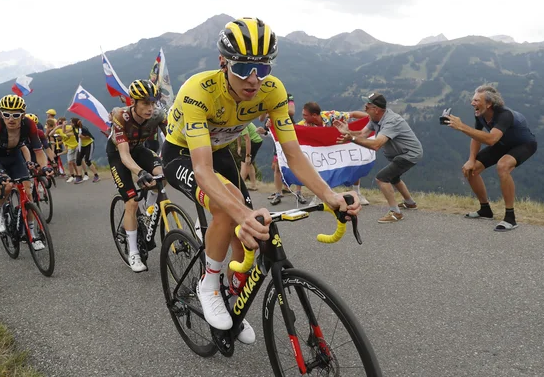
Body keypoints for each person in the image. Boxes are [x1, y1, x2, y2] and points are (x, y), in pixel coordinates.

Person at [161, 17, 360, 344]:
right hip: (182, 154)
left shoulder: (272, 91)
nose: (253, 79)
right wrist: (239, 212)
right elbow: (202, 171)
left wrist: (329, 195)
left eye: (263, 68)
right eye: (242, 68)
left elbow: (293, 154)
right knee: (230, 209)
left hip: (222, 150)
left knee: (249, 238)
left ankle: (230, 299)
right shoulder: (198, 92)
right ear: (223, 63)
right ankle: (209, 284)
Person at [445, 85, 537, 231]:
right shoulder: (479, 114)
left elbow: (491, 139)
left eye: (476, 100)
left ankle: (510, 218)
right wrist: (471, 159)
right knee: (471, 169)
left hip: (524, 144)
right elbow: (476, 135)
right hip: (502, 143)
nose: (472, 103)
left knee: (503, 166)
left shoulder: (505, 115)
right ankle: (485, 210)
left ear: (489, 104)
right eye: (472, 99)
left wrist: (461, 126)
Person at [107, 79, 168, 272]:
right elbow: (124, 155)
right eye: (145, 103)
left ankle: (149, 211)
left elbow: (173, 139)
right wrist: (140, 172)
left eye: (153, 103)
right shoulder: (121, 116)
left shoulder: (158, 115)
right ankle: (133, 253)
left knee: (162, 175)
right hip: (119, 154)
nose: (150, 108)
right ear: (133, 102)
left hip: (139, 149)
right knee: (132, 202)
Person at [334, 92, 422, 223]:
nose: (364, 107)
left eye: (368, 105)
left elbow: (376, 145)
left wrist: (351, 138)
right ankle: (410, 203)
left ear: (376, 109)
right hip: (400, 154)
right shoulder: (374, 119)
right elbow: (362, 134)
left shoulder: (391, 121)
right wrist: (347, 132)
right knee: (394, 177)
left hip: (409, 154)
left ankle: (396, 213)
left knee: (382, 178)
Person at [0, 95, 52, 243]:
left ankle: (31, 233)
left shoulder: (29, 124)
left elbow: (39, 151)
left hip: (14, 155)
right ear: (1, 114)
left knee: (28, 193)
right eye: (6, 115)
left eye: (16, 115)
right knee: (6, 186)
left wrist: (44, 166)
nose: (11, 119)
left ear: (23, 114)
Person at [298, 101, 370, 206]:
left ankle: (357, 193)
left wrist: (372, 118)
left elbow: (353, 114)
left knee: (354, 164)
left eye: (305, 115)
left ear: (314, 115)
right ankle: (319, 196)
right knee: (319, 169)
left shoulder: (331, 116)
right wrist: (271, 126)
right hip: (322, 150)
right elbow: (291, 129)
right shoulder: (304, 124)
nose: (303, 117)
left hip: (340, 144)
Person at [49, 117, 79, 182]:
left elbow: (68, 134)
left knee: (72, 162)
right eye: (58, 123)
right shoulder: (58, 129)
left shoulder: (69, 127)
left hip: (76, 145)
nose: (59, 124)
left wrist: (64, 127)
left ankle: (76, 175)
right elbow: (50, 134)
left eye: (60, 123)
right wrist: (56, 128)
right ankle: (74, 175)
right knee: (71, 162)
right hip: (70, 147)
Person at [71, 118, 100, 182]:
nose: (70, 124)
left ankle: (96, 175)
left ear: (75, 123)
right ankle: (79, 176)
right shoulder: (74, 129)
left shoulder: (83, 129)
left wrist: (83, 137)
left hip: (89, 144)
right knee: (78, 160)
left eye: (72, 122)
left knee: (87, 160)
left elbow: (91, 137)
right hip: (81, 145)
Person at [236, 122, 263, 190]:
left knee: (245, 162)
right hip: (256, 140)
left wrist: (247, 156)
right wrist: (239, 147)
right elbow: (238, 134)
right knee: (249, 164)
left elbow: (247, 139)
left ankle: (240, 186)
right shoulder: (237, 123)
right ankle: (253, 186)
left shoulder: (241, 124)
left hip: (254, 141)